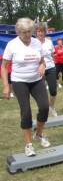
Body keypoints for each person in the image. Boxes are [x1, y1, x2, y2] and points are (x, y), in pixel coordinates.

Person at [1, 18, 50, 157]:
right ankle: (28, 145)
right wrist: (6, 86)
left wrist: (42, 65)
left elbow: (42, 60)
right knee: (26, 111)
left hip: (36, 80)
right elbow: (4, 67)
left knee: (45, 107)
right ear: (17, 32)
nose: (27, 35)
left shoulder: (36, 43)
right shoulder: (12, 45)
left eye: (29, 32)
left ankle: (39, 134)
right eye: (23, 32)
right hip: (19, 81)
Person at [35, 22, 58, 117]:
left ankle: (52, 107)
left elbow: (52, 56)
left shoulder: (49, 42)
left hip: (50, 68)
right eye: (38, 31)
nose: (40, 33)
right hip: (39, 69)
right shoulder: (33, 43)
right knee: (42, 91)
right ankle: (43, 109)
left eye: (42, 31)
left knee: (53, 90)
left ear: (45, 32)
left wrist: (55, 67)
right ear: (36, 32)